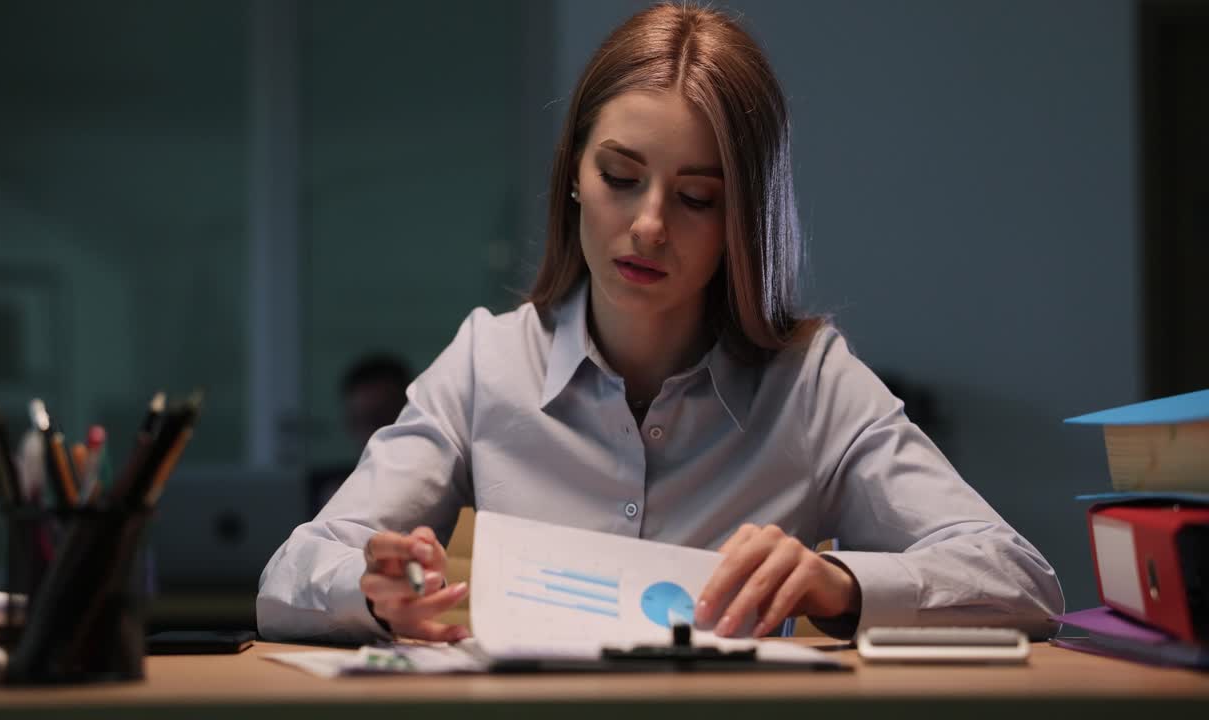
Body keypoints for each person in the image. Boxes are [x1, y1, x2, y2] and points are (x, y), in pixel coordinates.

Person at [259, 4, 1064, 645]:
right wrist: (370, 587)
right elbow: (291, 573)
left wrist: (844, 585)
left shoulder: (810, 382)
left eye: (696, 198)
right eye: (619, 176)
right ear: (573, 174)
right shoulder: (487, 363)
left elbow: (1021, 580)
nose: (648, 226)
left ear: (742, 221)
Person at [307, 354, 414, 516]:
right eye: (358, 421)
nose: (370, 435)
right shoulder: (334, 493)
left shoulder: (444, 490)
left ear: (409, 416)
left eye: (380, 419)